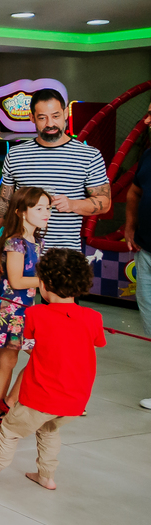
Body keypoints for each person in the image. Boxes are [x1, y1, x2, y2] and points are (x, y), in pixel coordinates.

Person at [0, 249, 106, 489]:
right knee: (48, 431)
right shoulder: (93, 317)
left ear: (43, 285)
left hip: (41, 396)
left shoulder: (35, 313)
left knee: (10, 430)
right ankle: (46, 475)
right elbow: (96, 342)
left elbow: (29, 343)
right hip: (75, 400)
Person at [0, 88, 109, 265]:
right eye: (42, 118)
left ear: (66, 113)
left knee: (58, 294)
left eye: (56, 116)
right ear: (32, 118)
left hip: (64, 256)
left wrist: (72, 204)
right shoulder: (16, 155)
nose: (50, 123)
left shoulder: (89, 155)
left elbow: (104, 202)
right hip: (19, 254)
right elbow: (4, 201)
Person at [0, 187, 50, 422]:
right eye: (39, 208)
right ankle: (1, 406)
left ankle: (3, 404)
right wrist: (50, 280)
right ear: (21, 212)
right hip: (10, 311)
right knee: (16, 358)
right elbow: (16, 280)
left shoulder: (35, 240)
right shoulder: (16, 242)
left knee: (13, 359)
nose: (46, 213)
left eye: (48, 208)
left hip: (26, 310)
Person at [123, 101, 151, 410]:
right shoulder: (148, 155)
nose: (146, 119)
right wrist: (130, 226)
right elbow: (134, 192)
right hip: (147, 251)